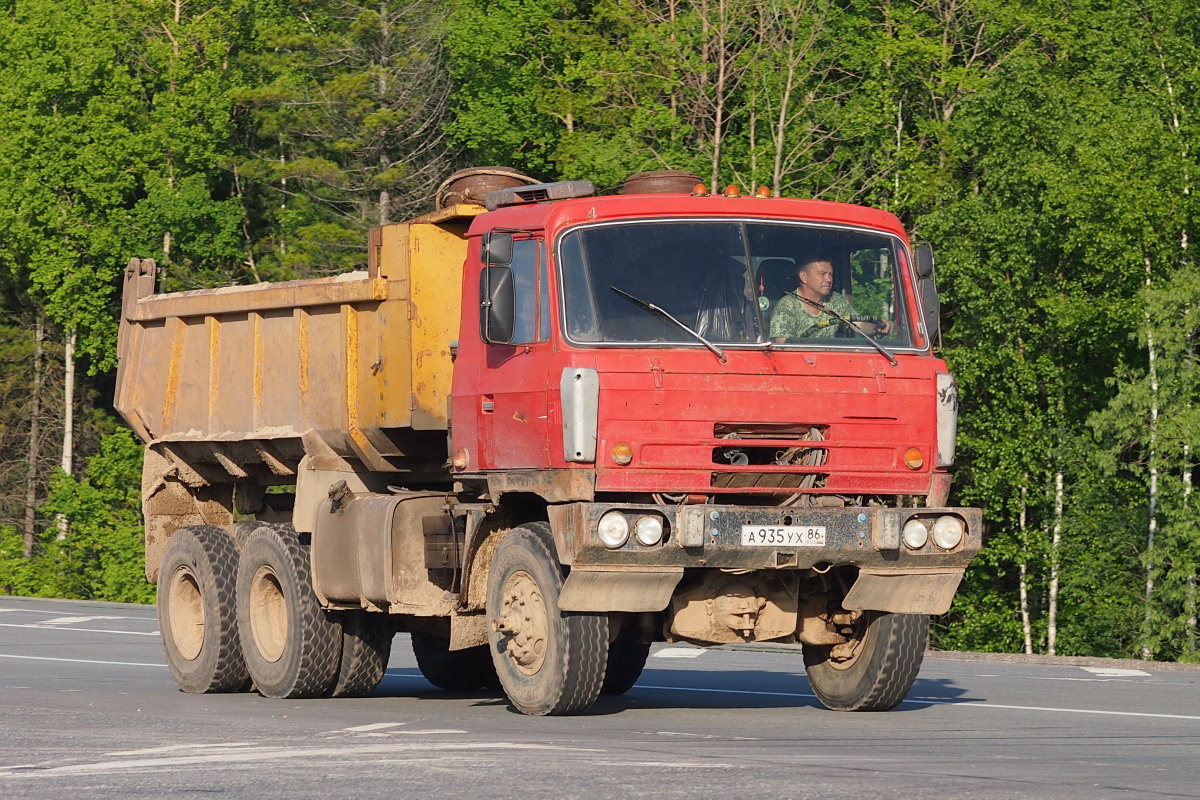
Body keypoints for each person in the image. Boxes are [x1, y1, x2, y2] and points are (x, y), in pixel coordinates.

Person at [769, 257, 891, 343]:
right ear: (804, 277)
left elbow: (857, 324)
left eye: (830, 274)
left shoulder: (836, 300)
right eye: (822, 274)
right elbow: (783, 345)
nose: (828, 279)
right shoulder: (787, 305)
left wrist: (878, 327)